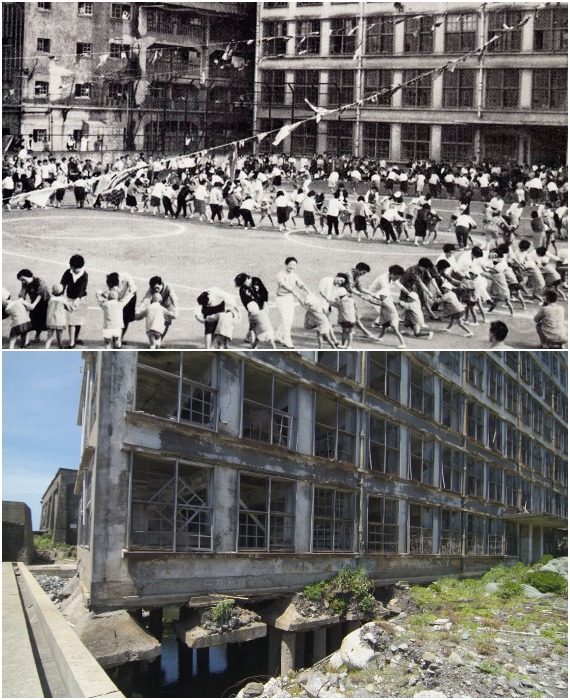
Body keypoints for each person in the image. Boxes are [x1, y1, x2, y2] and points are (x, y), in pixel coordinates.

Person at [274, 257, 309, 348]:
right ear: (286, 265)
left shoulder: (294, 275)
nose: (292, 267)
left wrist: (308, 291)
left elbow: (300, 284)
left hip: (289, 299)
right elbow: (284, 286)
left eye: (294, 265)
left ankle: (277, 336)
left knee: (289, 319)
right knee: (286, 320)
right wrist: (296, 294)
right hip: (281, 298)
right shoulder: (280, 274)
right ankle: (287, 340)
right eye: (291, 265)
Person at [235, 272, 271, 347]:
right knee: (253, 325)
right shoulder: (242, 289)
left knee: (259, 322)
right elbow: (246, 302)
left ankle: (248, 337)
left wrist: (265, 303)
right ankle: (253, 343)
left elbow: (264, 291)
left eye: (246, 282)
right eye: (243, 284)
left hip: (262, 305)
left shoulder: (256, 280)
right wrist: (253, 311)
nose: (246, 285)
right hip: (253, 310)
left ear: (248, 278)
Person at [60, 254, 88, 348]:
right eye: (74, 268)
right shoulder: (68, 272)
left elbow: (82, 288)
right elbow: (63, 283)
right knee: (71, 321)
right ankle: (72, 342)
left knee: (78, 321)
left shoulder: (84, 274)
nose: (75, 270)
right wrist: (60, 294)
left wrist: (78, 298)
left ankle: (75, 338)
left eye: (77, 268)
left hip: (80, 299)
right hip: (70, 298)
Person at [140, 276, 179, 341]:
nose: (156, 290)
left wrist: (176, 309)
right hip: (157, 305)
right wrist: (141, 307)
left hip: (167, 305)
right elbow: (146, 298)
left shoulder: (168, 287)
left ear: (161, 284)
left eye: (157, 288)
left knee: (166, 323)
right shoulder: (151, 288)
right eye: (154, 288)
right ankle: (154, 340)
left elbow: (174, 299)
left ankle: (159, 340)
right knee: (154, 322)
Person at [17, 269, 50, 342]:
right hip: (34, 301)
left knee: (42, 321)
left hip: (44, 302)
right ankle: (26, 341)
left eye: (23, 279)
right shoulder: (25, 282)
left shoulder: (40, 282)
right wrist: (21, 298)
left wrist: (33, 305)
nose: (23, 282)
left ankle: (38, 336)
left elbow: (40, 295)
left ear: (29, 276)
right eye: (21, 280)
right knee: (31, 320)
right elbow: (23, 291)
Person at [105, 272, 137, 342]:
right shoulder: (110, 280)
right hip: (117, 299)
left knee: (125, 319)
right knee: (115, 318)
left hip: (129, 297)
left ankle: (121, 338)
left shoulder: (126, 277)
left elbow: (133, 290)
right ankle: (115, 338)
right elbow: (108, 293)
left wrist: (124, 300)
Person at [45, 284, 71, 349]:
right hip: (60, 321)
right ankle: (60, 347)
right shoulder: (63, 300)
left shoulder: (51, 299)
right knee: (59, 337)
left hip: (50, 320)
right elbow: (70, 309)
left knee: (49, 338)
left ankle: (46, 349)